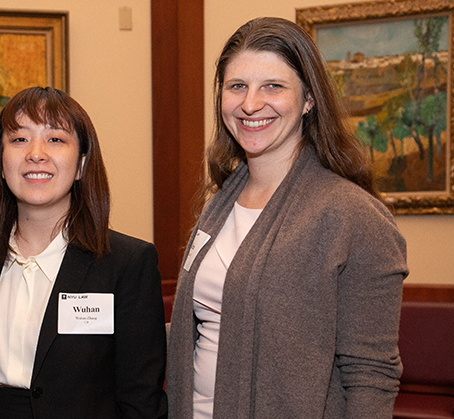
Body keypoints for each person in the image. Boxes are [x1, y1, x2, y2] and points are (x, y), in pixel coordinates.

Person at [166, 17, 408, 419]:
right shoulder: (219, 203)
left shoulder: (353, 217)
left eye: (273, 86)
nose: (250, 104)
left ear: (308, 99)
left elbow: (372, 376)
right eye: (237, 86)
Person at [0, 86, 168, 418]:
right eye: (19, 139)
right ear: (0, 161)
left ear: (81, 164)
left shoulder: (127, 263)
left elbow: (141, 399)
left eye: (55, 139)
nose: (36, 153)